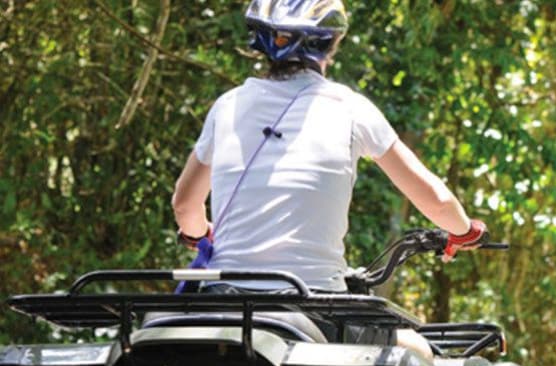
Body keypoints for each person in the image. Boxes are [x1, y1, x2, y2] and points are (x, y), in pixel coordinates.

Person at [170, 1, 486, 348]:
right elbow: (438, 202)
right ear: (331, 43)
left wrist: (200, 234)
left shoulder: (226, 106)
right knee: (418, 350)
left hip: (224, 307)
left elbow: (185, 204)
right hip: (314, 308)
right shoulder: (350, 108)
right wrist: (465, 231)